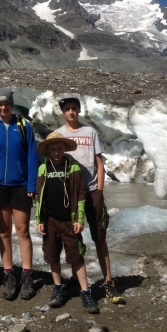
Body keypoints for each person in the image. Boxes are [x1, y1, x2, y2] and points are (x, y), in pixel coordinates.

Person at [56, 96, 125, 304]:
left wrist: (100, 190)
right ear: (63, 112)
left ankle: (108, 281)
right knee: (73, 239)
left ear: (79, 110)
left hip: (92, 189)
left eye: (74, 108)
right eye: (67, 109)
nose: (71, 112)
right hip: (71, 193)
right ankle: (79, 280)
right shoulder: (59, 134)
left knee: (99, 236)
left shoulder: (90, 132)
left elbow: (99, 164)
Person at [0, 87, 39, 301]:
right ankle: (8, 275)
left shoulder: (23, 126)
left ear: (12, 105)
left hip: (21, 185)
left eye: (6, 103)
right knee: (4, 231)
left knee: (23, 230)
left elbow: (33, 156)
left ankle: (26, 275)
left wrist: (32, 185)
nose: (2, 106)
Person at [35, 132, 99, 313]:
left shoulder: (73, 167)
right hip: (50, 220)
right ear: (48, 150)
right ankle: (58, 287)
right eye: (53, 149)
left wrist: (79, 218)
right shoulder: (43, 168)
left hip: (69, 220)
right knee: (52, 255)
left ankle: (85, 291)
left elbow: (80, 192)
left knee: (76, 255)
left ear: (65, 149)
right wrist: (39, 219)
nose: (57, 152)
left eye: (60, 148)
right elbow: (40, 196)